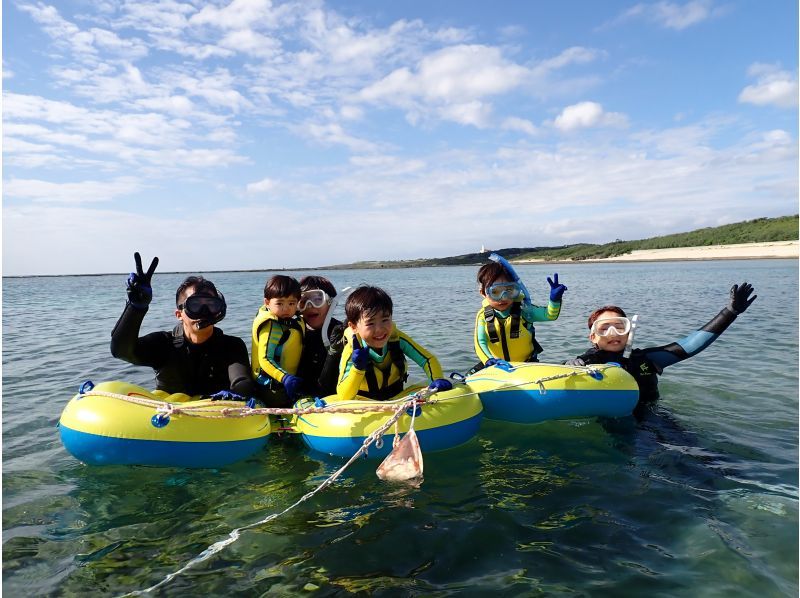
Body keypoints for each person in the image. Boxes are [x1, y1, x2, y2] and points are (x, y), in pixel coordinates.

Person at [566, 282, 757, 407]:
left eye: (620, 326)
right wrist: (569, 367)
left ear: (629, 331)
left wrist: (730, 312)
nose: (613, 333)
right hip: (620, 427)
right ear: (593, 337)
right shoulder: (586, 363)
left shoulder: (646, 359)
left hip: (656, 418)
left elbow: (690, 345)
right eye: (604, 328)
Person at [110, 252, 256, 399]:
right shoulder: (164, 344)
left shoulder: (231, 346)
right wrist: (135, 308)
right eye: (195, 305)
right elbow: (120, 351)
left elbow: (242, 381)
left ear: (219, 311)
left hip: (215, 415)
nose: (204, 312)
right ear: (179, 314)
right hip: (171, 417)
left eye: (211, 305)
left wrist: (236, 394)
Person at [335, 285, 453, 401]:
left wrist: (436, 379)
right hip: (366, 406)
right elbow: (344, 396)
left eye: (385, 320)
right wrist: (358, 368)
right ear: (354, 327)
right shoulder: (352, 351)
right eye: (370, 323)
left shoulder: (396, 338)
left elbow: (427, 359)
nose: (380, 329)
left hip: (398, 398)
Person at [474, 261, 567, 364]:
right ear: (483, 292)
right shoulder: (482, 316)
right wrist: (488, 360)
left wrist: (555, 300)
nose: (504, 297)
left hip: (526, 365)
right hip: (496, 365)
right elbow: (480, 342)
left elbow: (550, 315)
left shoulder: (524, 310)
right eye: (495, 292)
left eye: (509, 290)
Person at [250, 275, 306, 407]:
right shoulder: (271, 325)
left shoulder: (292, 321)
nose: (286, 308)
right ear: (267, 302)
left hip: (286, 380)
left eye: (291, 303)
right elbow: (265, 358)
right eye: (279, 303)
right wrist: (284, 377)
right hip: (270, 385)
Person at [295, 276, 345, 398]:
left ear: (331, 302)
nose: (310, 305)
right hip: (302, 400)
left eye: (318, 299)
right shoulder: (292, 332)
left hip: (335, 398)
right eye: (303, 300)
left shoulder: (343, 332)